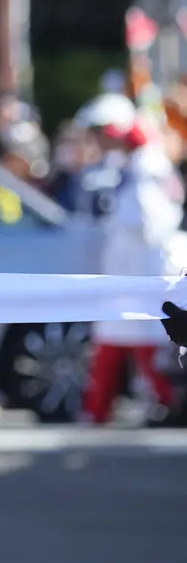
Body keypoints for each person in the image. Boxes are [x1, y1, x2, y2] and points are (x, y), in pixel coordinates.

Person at [80, 117, 184, 424]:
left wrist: (119, 216)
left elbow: (147, 225)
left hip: (138, 275)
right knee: (119, 346)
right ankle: (99, 409)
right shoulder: (141, 168)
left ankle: (169, 404)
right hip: (131, 276)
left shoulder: (145, 172)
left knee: (142, 345)